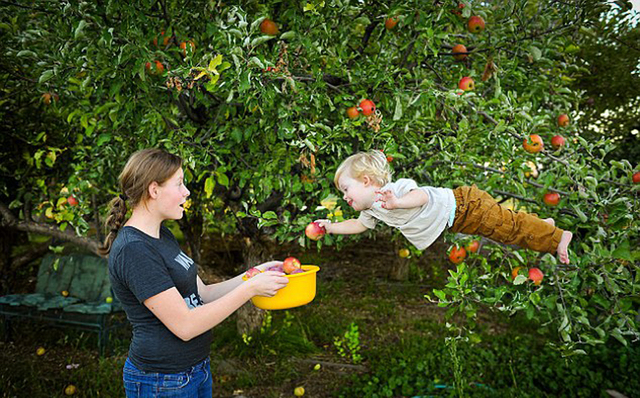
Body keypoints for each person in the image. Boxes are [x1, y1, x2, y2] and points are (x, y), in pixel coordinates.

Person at [100, 148, 289, 397]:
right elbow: (185, 326)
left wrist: (252, 274)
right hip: (162, 381)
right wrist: (250, 289)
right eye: (179, 183)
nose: (186, 191)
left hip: (194, 370)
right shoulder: (134, 250)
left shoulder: (161, 234)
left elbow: (204, 293)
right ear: (153, 190)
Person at [315, 150, 573, 264]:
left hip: (466, 206)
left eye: (346, 190)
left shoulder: (392, 191)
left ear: (366, 181)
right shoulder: (370, 210)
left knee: (508, 229)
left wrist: (398, 203)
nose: (346, 197)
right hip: (461, 220)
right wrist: (330, 228)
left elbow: (422, 197)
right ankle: (542, 226)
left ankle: (559, 237)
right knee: (508, 228)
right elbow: (358, 225)